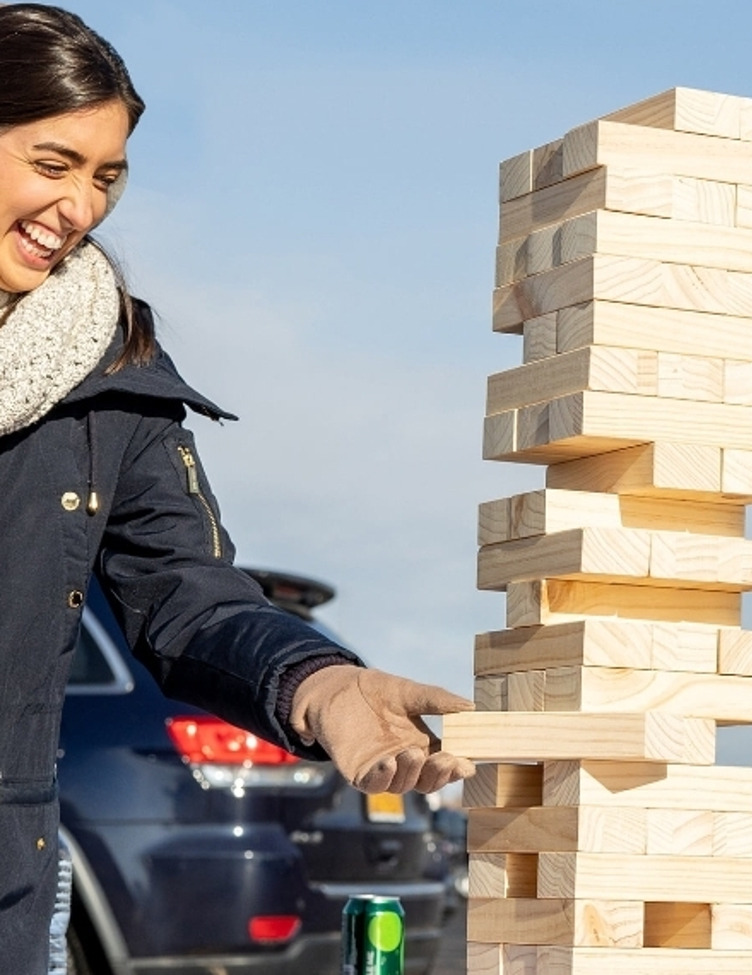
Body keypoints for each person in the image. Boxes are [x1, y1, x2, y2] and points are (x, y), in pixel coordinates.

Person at [0, 6, 475, 970]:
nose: (82, 209)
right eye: (54, 165)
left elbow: (190, 593)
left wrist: (320, 685)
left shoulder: (110, 371)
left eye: (106, 178)